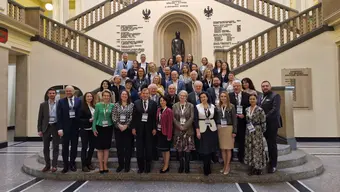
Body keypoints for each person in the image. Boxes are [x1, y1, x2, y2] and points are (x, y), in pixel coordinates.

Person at [131, 88, 158, 173]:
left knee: (148, 149)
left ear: (149, 94)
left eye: (147, 93)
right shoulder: (136, 103)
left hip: (149, 130)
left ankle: (148, 168)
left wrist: (154, 128)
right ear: (141, 94)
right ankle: (141, 167)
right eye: (143, 93)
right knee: (139, 149)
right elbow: (134, 117)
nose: (145, 95)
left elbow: (154, 117)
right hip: (139, 129)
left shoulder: (153, 104)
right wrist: (133, 128)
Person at [194, 92, 220, 176]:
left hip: (212, 129)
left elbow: (216, 118)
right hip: (202, 129)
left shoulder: (212, 106)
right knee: (205, 149)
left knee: (211, 148)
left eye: (204, 97)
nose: (203, 98)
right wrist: (197, 130)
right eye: (201, 97)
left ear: (207, 97)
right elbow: (195, 119)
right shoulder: (197, 107)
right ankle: (206, 168)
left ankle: (209, 166)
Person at [57, 85, 81, 173]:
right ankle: (65, 165)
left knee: (74, 147)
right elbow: (59, 116)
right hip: (65, 129)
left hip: (75, 128)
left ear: (73, 91)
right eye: (67, 91)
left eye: (70, 91)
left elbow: (80, 114)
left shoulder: (79, 101)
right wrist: (59, 128)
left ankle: (72, 164)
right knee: (65, 147)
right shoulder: (61, 102)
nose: (68, 92)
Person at [37, 88, 62, 173]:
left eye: (53, 93)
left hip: (55, 127)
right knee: (46, 147)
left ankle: (54, 165)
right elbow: (40, 118)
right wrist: (39, 129)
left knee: (56, 147)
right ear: (48, 95)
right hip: (46, 128)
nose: (52, 94)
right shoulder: (43, 105)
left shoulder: (59, 104)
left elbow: (61, 116)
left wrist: (61, 128)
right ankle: (47, 165)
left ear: (55, 94)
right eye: (50, 93)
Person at [260, 80, 282, 173]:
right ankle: (268, 160)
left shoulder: (275, 96)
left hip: (272, 123)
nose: (265, 87)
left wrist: (264, 117)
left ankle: (273, 165)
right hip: (264, 124)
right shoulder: (261, 96)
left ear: (270, 86)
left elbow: (275, 109)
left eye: (266, 86)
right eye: (263, 86)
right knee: (266, 143)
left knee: (272, 144)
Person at [92, 89, 114, 174]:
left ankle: (105, 165)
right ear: (102, 96)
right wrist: (94, 128)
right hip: (99, 127)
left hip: (108, 128)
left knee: (106, 148)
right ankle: (100, 165)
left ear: (110, 97)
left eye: (108, 96)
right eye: (105, 95)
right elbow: (95, 118)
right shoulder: (98, 105)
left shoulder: (112, 105)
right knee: (100, 149)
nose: (106, 97)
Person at [112, 90, 134, 172]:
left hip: (128, 130)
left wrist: (126, 125)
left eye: (126, 94)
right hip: (118, 129)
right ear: (120, 96)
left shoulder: (131, 105)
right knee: (119, 148)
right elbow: (113, 116)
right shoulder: (116, 105)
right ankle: (121, 165)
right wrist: (118, 125)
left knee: (128, 148)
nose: (124, 95)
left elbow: (132, 116)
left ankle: (127, 166)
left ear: (128, 96)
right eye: (123, 94)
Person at [173, 90, 195, 173]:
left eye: (184, 96)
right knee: (179, 149)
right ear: (179, 96)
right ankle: (181, 165)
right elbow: (173, 118)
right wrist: (179, 126)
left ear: (186, 97)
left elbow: (192, 117)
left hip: (188, 130)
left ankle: (187, 166)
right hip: (178, 130)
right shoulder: (175, 105)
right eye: (181, 96)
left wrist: (185, 127)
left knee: (187, 149)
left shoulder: (191, 106)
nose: (182, 97)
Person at [245, 94, 267, 175]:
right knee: (250, 148)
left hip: (257, 131)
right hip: (249, 131)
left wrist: (262, 132)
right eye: (250, 99)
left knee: (257, 149)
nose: (252, 100)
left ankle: (258, 167)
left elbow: (263, 122)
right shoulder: (247, 109)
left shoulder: (260, 110)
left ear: (256, 100)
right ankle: (252, 166)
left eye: (253, 99)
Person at [228, 80, 250, 163]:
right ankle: (230, 157)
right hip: (232, 122)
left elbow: (249, 108)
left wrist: (244, 115)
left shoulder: (247, 96)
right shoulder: (229, 96)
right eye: (234, 86)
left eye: (237, 86)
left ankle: (241, 157)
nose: (236, 87)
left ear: (241, 86)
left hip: (242, 121)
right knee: (231, 140)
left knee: (242, 140)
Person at [217, 91, 237, 175]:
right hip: (220, 128)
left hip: (229, 128)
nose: (223, 98)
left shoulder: (231, 106)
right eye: (221, 96)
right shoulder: (217, 107)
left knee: (228, 148)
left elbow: (235, 120)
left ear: (227, 97)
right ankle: (224, 165)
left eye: (225, 96)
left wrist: (234, 131)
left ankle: (227, 166)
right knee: (222, 148)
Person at [79, 92, 96, 172]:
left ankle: (89, 162)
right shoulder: (82, 107)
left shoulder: (94, 106)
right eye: (88, 96)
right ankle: (84, 165)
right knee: (84, 148)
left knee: (92, 147)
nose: (89, 97)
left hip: (92, 130)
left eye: (90, 96)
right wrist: (88, 120)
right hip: (85, 130)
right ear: (85, 97)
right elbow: (79, 119)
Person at [156, 96, 174, 173]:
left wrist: (169, 136)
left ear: (166, 101)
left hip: (166, 133)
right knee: (162, 149)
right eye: (161, 100)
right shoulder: (159, 110)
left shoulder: (169, 111)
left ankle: (166, 166)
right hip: (159, 132)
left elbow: (170, 124)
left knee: (166, 150)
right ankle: (165, 163)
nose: (162, 102)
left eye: (163, 100)